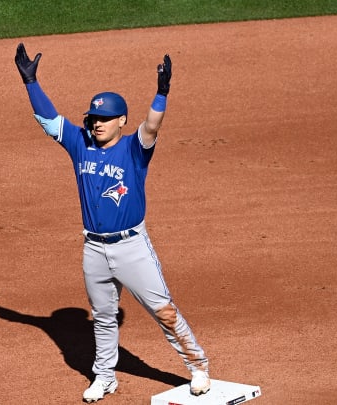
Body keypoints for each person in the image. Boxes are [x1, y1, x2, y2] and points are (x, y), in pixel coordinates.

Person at [14, 43, 210, 403]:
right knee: (103, 317)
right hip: (94, 248)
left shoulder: (135, 148)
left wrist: (161, 93)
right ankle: (105, 377)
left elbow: (152, 125)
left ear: (121, 120)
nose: (97, 123)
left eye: (105, 118)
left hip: (132, 246)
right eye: (93, 118)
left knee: (163, 312)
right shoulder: (80, 143)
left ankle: (198, 366)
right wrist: (31, 83)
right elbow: (48, 121)